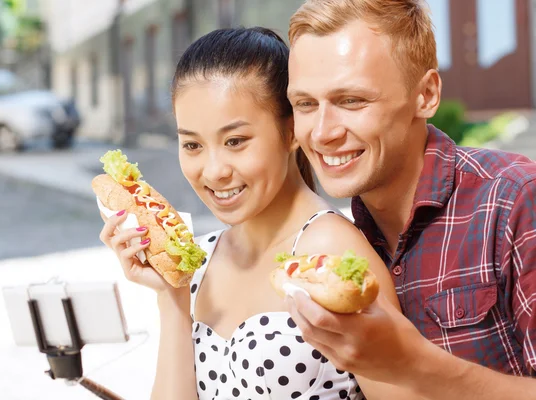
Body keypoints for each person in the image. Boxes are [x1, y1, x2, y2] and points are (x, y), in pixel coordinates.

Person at [99, 27, 421, 399]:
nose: (214, 170)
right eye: (192, 144)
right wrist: (172, 297)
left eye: (235, 141)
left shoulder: (330, 255)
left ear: (291, 132)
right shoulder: (200, 261)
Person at [285, 0, 536, 398]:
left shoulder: (515, 201)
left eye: (352, 100)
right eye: (305, 104)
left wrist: (414, 364)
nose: (321, 133)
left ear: (427, 95)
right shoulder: (338, 244)